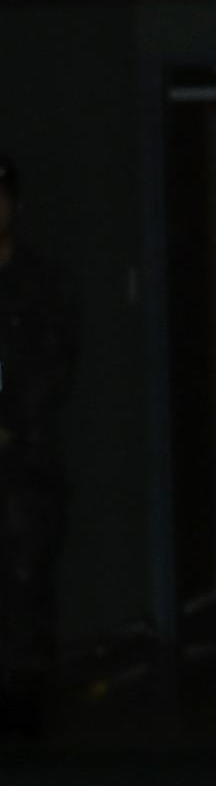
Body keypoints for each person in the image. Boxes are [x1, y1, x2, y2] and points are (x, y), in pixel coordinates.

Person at [0, 152, 78, 743]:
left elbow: (53, 368)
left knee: (26, 577)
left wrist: (15, 427)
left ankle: (27, 705)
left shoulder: (39, 282)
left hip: (24, 462)